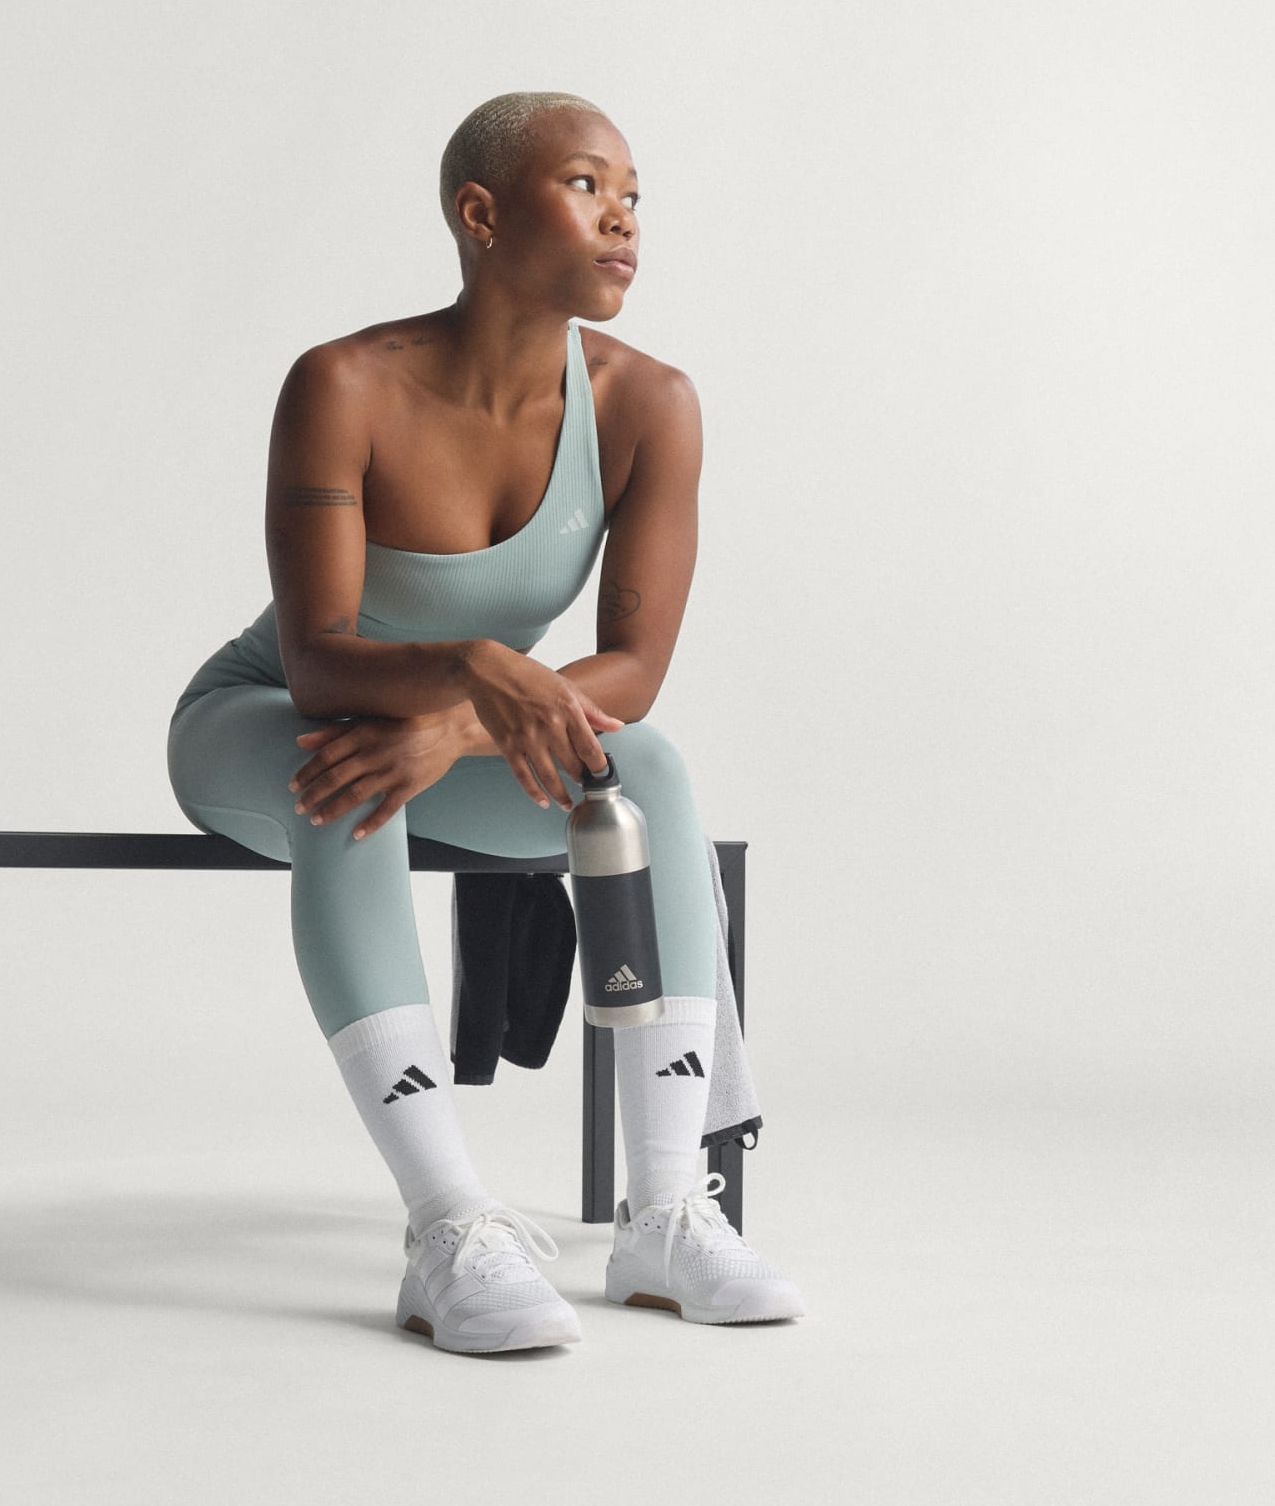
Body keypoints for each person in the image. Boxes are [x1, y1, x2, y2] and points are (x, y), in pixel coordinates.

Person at [166, 91, 806, 1354]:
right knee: (342, 775)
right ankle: (448, 1224)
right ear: (480, 212)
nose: (622, 217)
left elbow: (632, 670)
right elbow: (317, 658)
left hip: (437, 740)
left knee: (644, 766)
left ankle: (664, 1212)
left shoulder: (649, 403)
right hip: (265, 716)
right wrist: (470, 665)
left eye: (634, 195)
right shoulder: (343, 382)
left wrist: (455, 727)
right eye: (585, 185)